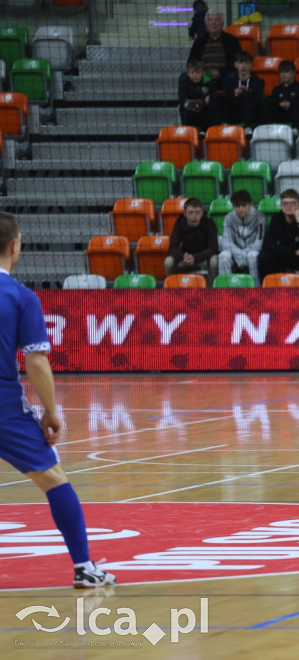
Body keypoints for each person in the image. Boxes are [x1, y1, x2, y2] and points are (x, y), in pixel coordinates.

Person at [0, 212, 118, 588]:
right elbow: (35, 360)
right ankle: (84, 567)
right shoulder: (21, 297)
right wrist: (51, 412)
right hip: (3, 406)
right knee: (53, 479)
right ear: (15, 246)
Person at [259, 189, 299, 286]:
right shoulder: (276, 219)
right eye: (285, 204)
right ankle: (267, 289)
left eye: (292, 203)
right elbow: (268, 245)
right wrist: (293, 252)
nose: (289, 207)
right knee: (264, 257)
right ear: (281, 206)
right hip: (283, 256)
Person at [165, 198, 219, 278]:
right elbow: (173, 247)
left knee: (214, 260)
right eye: (190, 213)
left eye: (197, 212)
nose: (194, 216)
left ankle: (210, 289)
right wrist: (182, 256)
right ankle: (173, 288)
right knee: (168, 262)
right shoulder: (180, 223)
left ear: (202, 213)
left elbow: (214, 248)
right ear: (185, 214)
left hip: (203, 259)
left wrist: (195, 257)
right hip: (185, 260)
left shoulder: (209, 223)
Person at [218, 189, 266, 280]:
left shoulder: (260, 218)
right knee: (223, 256)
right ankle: (225, 290)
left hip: (251, 253)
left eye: (244, 205)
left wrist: (245, 254)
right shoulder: (228, 218)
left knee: (253, 255)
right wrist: (240, 254)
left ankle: (255, 288)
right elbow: (226, 243)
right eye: (237, 206)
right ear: (233, 207)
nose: (241, 209)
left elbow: (259, 243)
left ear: (250, 204)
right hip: (235, 254)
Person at [187, 11, 241, 88]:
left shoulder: (232, 40)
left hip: (224, 75)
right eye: (210, 20)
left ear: (222, 24)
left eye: (217, 20)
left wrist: (220, 72)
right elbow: (191, 62)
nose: (214, 23)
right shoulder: (199, 42)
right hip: (204, 75)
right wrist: (201, 73)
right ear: (206, 24)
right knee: (184, 77)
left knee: (232, 77)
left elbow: (236, 61)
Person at [218, 51, 265, 128]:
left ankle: (248, 128)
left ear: (251, 65)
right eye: (240, 62)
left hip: (253, 114)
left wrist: (246, 93)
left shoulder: (259, 82)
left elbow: (257, 100)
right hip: (234, 114)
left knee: (246, 95)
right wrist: (234, 94)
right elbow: (226, 100)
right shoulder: (229, 83)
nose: (243, 65)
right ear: (235, 64)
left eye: (246, 63)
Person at [266, 59, 299, 128]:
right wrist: (280, 104)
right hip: (281, 115)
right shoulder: (276, 89)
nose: (283, 75)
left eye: (286, 72)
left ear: (293, 73)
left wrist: (291, 104)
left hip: (297, 116)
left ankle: (295, 129)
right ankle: (268, 128)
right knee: (268, 102)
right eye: (281, 72)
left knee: (297, 105)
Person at [178, 59, 212, 130]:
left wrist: (199, 103)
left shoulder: (208, 82)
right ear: (188, 73)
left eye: (198, 72)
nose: (195, 75)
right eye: (192, 72)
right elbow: (183, 102)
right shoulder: (184, 82)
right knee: (187, 113)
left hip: (204, 112)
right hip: (189, 112)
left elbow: (209, 99)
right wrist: (201, 102)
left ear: (203, 73)